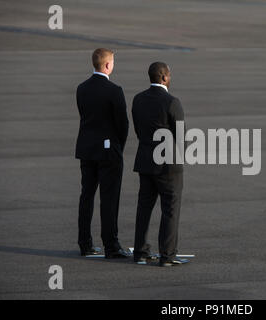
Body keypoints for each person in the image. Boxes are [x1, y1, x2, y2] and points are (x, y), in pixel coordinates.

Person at [131, 62, 188, 267]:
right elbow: (180, 136)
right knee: (170, 209)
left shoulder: (138, 100)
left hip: (145, 160)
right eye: (169, 75)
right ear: (164, 77)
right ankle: (167, 255)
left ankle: (140, 252)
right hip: (168, 165)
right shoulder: (172, 102)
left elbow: (138, 130)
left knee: (144, 208)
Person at [75, 48, 130, 258]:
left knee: (86, 196)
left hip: (86, 149)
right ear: (107, 65)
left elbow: (85, 117)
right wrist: (118, 146)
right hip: (108, 153)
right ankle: (111, 244)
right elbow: (122, 124)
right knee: (109, 198)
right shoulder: (114, 90)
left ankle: (85, 243)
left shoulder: (81, 88)